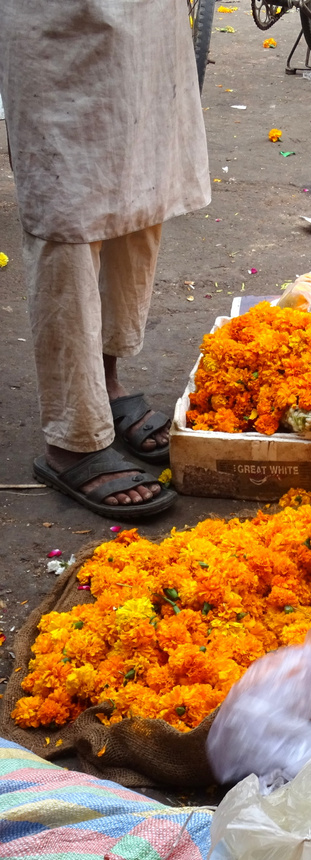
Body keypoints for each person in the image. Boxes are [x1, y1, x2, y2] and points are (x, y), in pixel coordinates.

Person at [0, 0, 211, 519]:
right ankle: (73, 435)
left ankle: (105, 381)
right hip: (54, 19)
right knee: (67, 206)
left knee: (141, 189)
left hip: (148, 17)